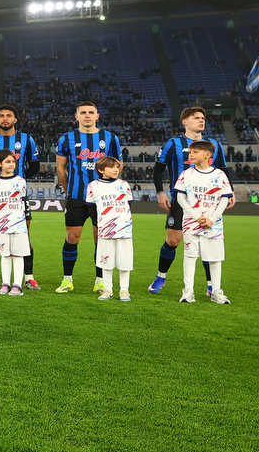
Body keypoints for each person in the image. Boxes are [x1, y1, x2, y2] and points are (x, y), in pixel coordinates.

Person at [150, 106, 233, 296]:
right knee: (173, 240)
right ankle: (161, 276)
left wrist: (231, 191)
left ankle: (211, 285)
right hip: (181, 201)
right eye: (196, 118)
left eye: (203, 118)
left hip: (209, 202)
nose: (201, 120)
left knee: (208, 242)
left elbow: (223, 169)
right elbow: (158, 169)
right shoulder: (173, 143)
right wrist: (160, 192)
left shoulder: (214, 144)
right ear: (185, 122)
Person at [54, 101, 123, 294]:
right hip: (76, 197)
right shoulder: (67, 139)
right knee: (72, 237)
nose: (87, 115)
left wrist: (110, 187)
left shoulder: (110, 138)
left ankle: (100, 280)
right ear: (76, 116)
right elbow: (60, 167)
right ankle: (67, 279)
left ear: (97, 116)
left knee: (100, 239)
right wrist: (67, 189)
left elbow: (118, 165)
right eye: (83, 112)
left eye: (91, 112)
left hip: (102, 199)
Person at [0, 105, 41, 290]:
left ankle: (29, 277)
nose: (5, 118)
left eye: (9, 115)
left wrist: (19, 178)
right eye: (1, 115)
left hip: (19, 197)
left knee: (24, 235)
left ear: (15, 119)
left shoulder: (26, 139)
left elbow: (34, 166)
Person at [173, 141, 233, 304]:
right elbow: (180, 198)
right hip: (191, 223)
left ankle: (216, 292)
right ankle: (188, 292)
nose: (191, 155)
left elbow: (224, 199)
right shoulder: (186, 174)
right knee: (190, 256)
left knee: (215, 258)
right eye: (190, 152)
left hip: (214, 224)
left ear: (207, 155)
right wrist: (195, 216)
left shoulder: (219, 175)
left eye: (195, 152)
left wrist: (212, 218)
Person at [84, 157, 133, 302]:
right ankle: (108, 290)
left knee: (125, 261)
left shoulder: (124, 185)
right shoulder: (93, 186)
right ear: (101, 170)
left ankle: (124, 290)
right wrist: (101, 223)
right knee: (106, 260)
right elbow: (91, 208)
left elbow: (129, 204)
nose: (116, 170)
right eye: (111, 167)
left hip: (124, 229)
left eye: (117, 167)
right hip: (105, 229)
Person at [0, 151, 30, 296]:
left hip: (18, 223)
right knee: (5, 255)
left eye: (13, 161)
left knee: (18, 255)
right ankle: (5, 284)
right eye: (7, 161)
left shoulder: (21, 181)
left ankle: (17, 285)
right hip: (1, 223)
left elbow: (23, 199)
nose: (11, 164)